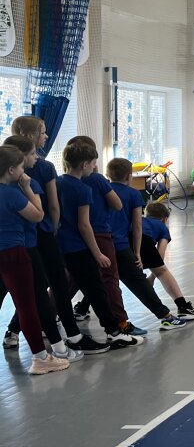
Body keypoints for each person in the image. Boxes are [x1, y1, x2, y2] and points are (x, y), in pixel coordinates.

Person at [3, 117, 85, 354]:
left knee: (27, 292)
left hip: (15, 245)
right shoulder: (35, 175)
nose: (46, 136)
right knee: (44, 289)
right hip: (33, 238)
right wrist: (53, 227)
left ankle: (22, 335)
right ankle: (64, 341)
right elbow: (47, 210)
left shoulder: (9, 177)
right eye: (43, 132)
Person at [0, 144, 68, 375]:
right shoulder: (12, 194)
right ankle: (40, 358)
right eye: (21, 167)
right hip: (14, 253)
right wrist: (28, 188)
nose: (23, 171)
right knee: (26, 305)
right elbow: (38, 215)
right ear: (11, 170)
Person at [55, 140, 128, 354]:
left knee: (64, 288)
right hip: (77, 247)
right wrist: (97, 253)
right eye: (94, 162)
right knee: (96, 289)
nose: (95, 166)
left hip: (59, 246)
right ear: (85, 164)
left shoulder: (57, 182)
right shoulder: (83, 189)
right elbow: (84, 225)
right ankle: (114, 331)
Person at [104, 158, 188, 331]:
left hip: (101, 243)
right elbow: (137, 226)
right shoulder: (133, 194)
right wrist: (137, 252)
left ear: (107, 175)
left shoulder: (102, 191)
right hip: (120, 245)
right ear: (129, 177)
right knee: (139, 283)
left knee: (100, 282)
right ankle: (165, 316)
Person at [139, 201, 194, 322]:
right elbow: (160, 256)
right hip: (144, 241)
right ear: (164, 219)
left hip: (124, 245)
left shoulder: (140, 220)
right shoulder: (162, 226)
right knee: (163, 271)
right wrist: (153, 277)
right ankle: (183, 307)